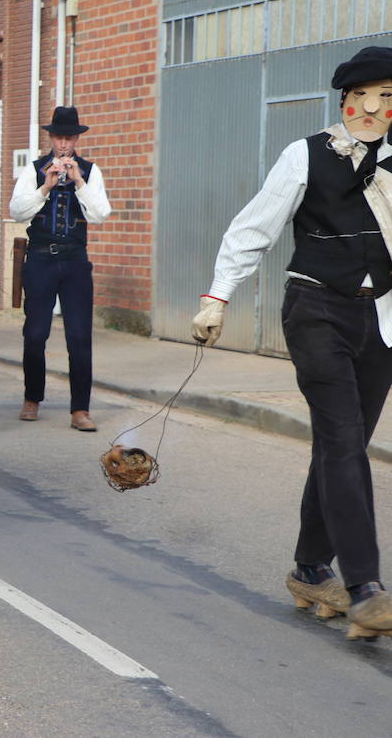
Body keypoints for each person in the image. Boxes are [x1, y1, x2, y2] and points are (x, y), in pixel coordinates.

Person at [192, 46, 392, 640]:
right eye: (360, 97)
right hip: (316, 310)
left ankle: (309, 568)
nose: (370, 108)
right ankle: (366, 588)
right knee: (344, 442)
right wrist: (217, 296)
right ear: (344, 101)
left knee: (342, 443)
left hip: (380, 317)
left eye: (385, 99)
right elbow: (254, 227)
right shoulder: (306, 154)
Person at [8, 106, 112, 431]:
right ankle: (31, 397)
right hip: (40, 259)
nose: (64, 144)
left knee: (79, 336)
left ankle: (80, 409)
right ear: (51, 138)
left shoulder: (91, 172)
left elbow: (100, 214)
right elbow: (17, 211)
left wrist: (79, 181)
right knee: (35, 333)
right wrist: (46, 187)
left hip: (75, 260)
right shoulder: (34, 170)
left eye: (69, 137)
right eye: (59, 137)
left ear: (76, 138)